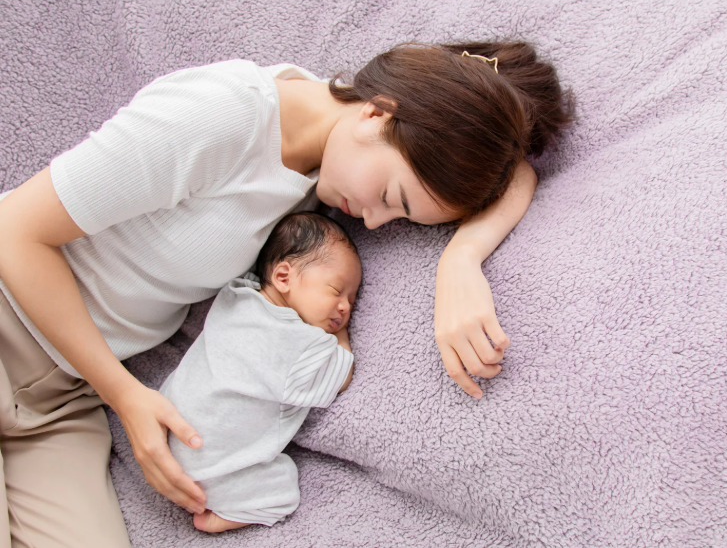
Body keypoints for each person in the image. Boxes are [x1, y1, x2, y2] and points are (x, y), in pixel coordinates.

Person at [0, 41, 574, 547]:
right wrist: (125, 395)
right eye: (390, 197)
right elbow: (14, 232)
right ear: (377, 112)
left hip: (60, 399)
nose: (374, 222)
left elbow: (518, 172)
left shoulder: (331, 162)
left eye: (400, 217)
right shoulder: (223, 114)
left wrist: (461, 260)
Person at [160, 211, 361, 533]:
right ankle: (225, 515)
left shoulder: (237, 295)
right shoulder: (297, 342)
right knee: (282, 490)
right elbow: (340, 376)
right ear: (283, 277)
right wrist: (339, 335)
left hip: (165, 431)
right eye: (336, 290)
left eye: (352, 299)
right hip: (210, 471)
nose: (346, 307)